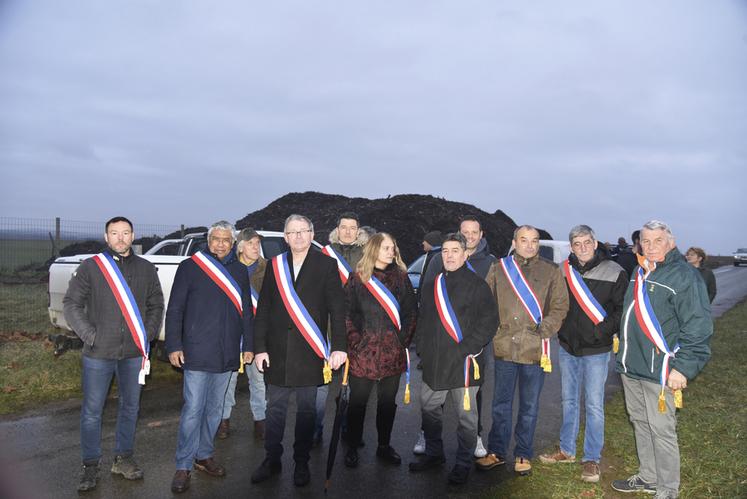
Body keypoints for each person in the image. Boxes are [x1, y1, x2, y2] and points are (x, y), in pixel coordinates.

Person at [612, 221, 712, 499]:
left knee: (662, 430)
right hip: (632, 366)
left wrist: (683, 368)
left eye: (658, 240)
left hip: (662, 371)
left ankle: (668, 489)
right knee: (640, 422)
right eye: (646, 241)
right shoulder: (639, 269)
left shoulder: (684, 277)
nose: (652, 246)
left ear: (671, 241)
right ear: (639, 243)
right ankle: (648, 476)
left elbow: (698, 327)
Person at [64, 216, 164, 492]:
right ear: (106, 237)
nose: (120, 238)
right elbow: (72, 304)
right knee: (92, 412)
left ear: (133, 236)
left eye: (126, 233)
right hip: (98, 353)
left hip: (134, 353)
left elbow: (157, 303)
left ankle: (123, 459)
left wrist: (149, 333)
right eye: (114, 233)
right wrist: (90, 335)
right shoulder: (92, 267)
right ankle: (90, 466)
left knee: (130, 407)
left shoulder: (146, 268)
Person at [251, 214, 347, 487]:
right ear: (285, 238)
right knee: (275, 411)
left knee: (306, 412)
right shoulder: (274, 265)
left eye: (303, 231)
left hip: (310, 352)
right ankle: (272, 459)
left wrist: (339, 346)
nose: (298, 236)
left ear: (312, 233)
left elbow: (337, 310)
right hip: (278, 352)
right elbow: (265, 309)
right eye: (292, 232)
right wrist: (259, 348)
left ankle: (302, 461)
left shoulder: (326, 265)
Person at [166, 221, 253, 494]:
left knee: (215, 410)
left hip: (227, 352)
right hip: (197, 350)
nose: (221, 244)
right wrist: (173, 345)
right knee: (193, 409)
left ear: (233, 243)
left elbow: (247, 312)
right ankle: (183, 465)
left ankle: (203, 455)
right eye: (216, 238)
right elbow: (175, 309)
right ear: (209, 239)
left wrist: (248, 345)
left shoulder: (240, 271)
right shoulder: (190, 267)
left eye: (226, 240)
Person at [476, 225, 569, 476]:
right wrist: (494, 331)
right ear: (514, 242)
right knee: (500, 404)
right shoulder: (499, 268)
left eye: (534, 241)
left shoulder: (551, 271)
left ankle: (523, 453)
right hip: (504, 347)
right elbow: (486, 302)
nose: (529, 245)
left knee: (529, 407)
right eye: (524, 240)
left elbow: (560, 306)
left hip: (535, 349)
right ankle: (496, 451)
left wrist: (544, 329)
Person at [538, 225, 627, 483]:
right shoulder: (562, 272)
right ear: (572, 247)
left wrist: (602, 331)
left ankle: (591, 459)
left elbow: (622, 311)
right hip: (567, 348)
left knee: (594, 405)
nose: (583, 247)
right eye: (577, 244)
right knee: (568, 401)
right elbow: (554, 305)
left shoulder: (615, 271)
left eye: (587, 242)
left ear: (595, 242)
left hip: (597, 351)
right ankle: (567, 450)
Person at [408, 233, 499, 485]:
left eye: (454, 250)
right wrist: (423, 352)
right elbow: (423, 321)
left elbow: (489, 323)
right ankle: (434, 454)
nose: (449, 255)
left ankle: (462, 463)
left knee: (467, 420)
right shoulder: (431, 284)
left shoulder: (478, 285)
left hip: (464, 364)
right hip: (434, 364)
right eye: (445, 251)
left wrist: (464, 349)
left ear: (465, 253)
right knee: (429, 411)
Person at [343, 233, 417, 468]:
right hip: (362, 355)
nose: (391, 251)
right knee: (357, 404)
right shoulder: (356, 279)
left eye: (393, 247)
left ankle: (384, 446)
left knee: (387, 404)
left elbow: (411, 314)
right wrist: (355, 341)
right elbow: (346, 314)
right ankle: (352, 445)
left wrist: (401, 341)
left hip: (391, 355)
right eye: (386, 247)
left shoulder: (401, 278)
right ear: (374, 249)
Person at [315, 212, 368, 446]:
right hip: (327, 326)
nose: (347, 231)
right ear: (337, 229)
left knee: (352, 384)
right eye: (343, 227)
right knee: (320, 384)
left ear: (358, 231)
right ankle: (315, 429)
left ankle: (349, 428)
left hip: (357, 327)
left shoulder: (367, 255)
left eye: (352, 227)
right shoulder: (323, 254)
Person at [219, 228, 268, 440]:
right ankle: (224, 420)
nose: (255, 247)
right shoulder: (228, 268)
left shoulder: (269, 269)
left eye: (257, 243)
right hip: (232, 333)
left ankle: (260, 420)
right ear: (240, 246)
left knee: (257, 379)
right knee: (228, 380)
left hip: (257, 333)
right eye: (250, 243)